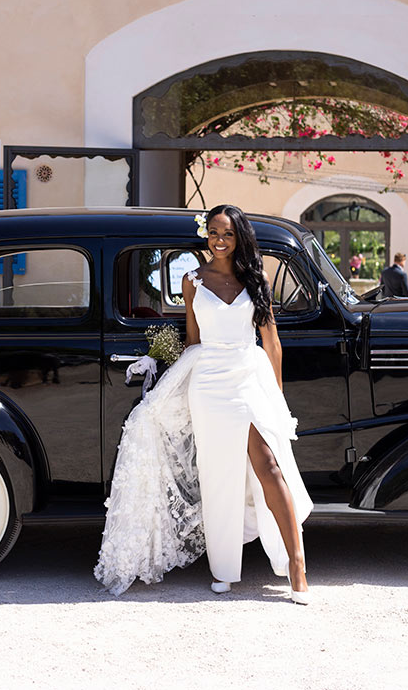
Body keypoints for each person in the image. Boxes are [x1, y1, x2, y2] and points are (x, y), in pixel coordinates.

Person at [95, 205, 313, 604]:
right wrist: (167, 373)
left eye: (227, 233)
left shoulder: (257, 277)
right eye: (213, 232)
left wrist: (276, 398)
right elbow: (194, 341)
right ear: (206, 235)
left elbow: (272, 341)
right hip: (208, 383)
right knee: (218, 476)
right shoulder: (192, 280)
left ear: (239, 237)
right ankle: (224, 569)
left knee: (268, 464)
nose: (219, 240)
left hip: (248, 376)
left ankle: (296, 563)